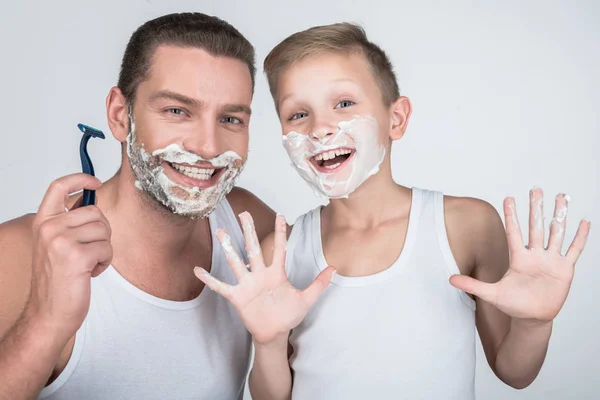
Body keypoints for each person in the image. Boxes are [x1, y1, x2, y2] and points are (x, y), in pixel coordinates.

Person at [196, 22, 591, 399]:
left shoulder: (465, 226)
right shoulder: (278, 255)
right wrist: (268, 342)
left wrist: (534, 323)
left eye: (344, 103)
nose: (319, 128)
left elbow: (515, 372)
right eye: (298, 114)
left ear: (396, 119)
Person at [0, 12, 276, 400]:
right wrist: (44, 322)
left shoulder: (251, 229)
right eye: (177, 111)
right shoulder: (17, 255)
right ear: (119, 115)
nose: (209, 147)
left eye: (231, 118)